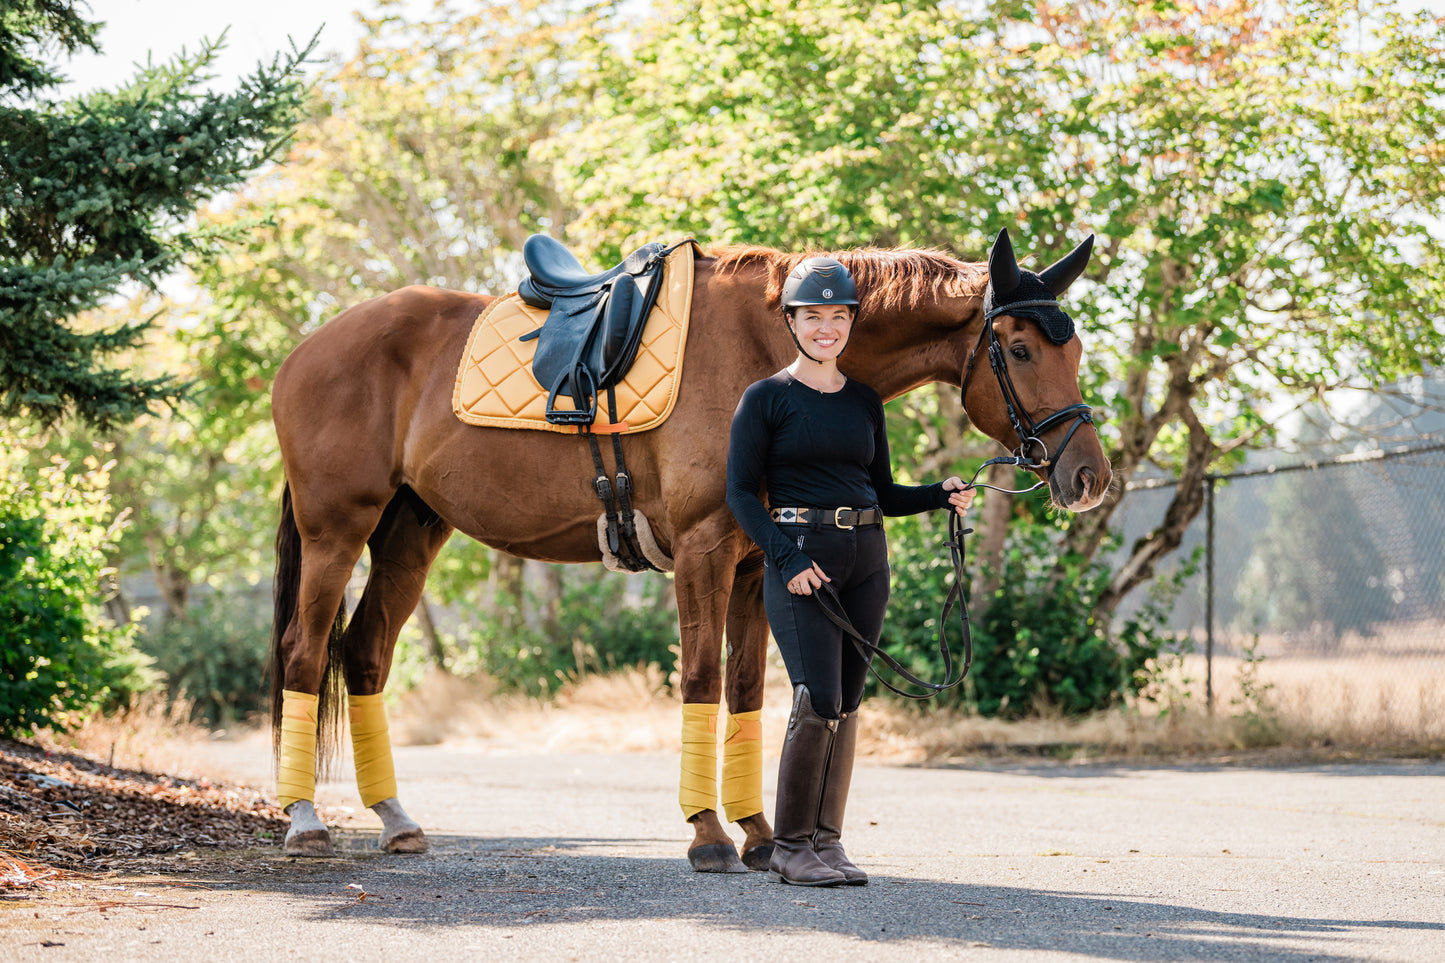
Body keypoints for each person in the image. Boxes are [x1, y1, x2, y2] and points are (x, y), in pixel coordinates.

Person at [725, 255, 974, 887]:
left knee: (849, 703)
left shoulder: (864, 402)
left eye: (838, 316)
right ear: (792, 321)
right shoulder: (766, 398)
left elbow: (881, 490)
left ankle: (827, 842)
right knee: (817, 699)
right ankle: (789, 846)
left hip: (868, 560)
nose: (826, 328)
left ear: (851, 322)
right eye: (813, 317)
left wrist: (937, 495)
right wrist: (787, 559)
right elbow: (739, 495)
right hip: (804, 557)